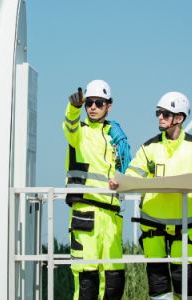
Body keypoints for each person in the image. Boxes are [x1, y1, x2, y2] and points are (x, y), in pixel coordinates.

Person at [109, 91, 192, 300]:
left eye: (165, 114)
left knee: (184, 280)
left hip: (184, 224)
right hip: (152, 223)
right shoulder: (149, 147)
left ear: (179, 118)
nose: (160, 117)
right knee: (157, 281)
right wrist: (120, 181)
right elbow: (134, 172)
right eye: (158, 113)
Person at [63, 79, 131, 300]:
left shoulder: (115, 136)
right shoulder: (79, 132)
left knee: (114, 279)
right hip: (86, 213)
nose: (92, 107)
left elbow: (127, 168)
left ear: (108, 106)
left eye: (98, 103)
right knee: (86, 279)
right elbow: (69, 125)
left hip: (111, 216)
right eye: (89, 103)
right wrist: (73, 109)